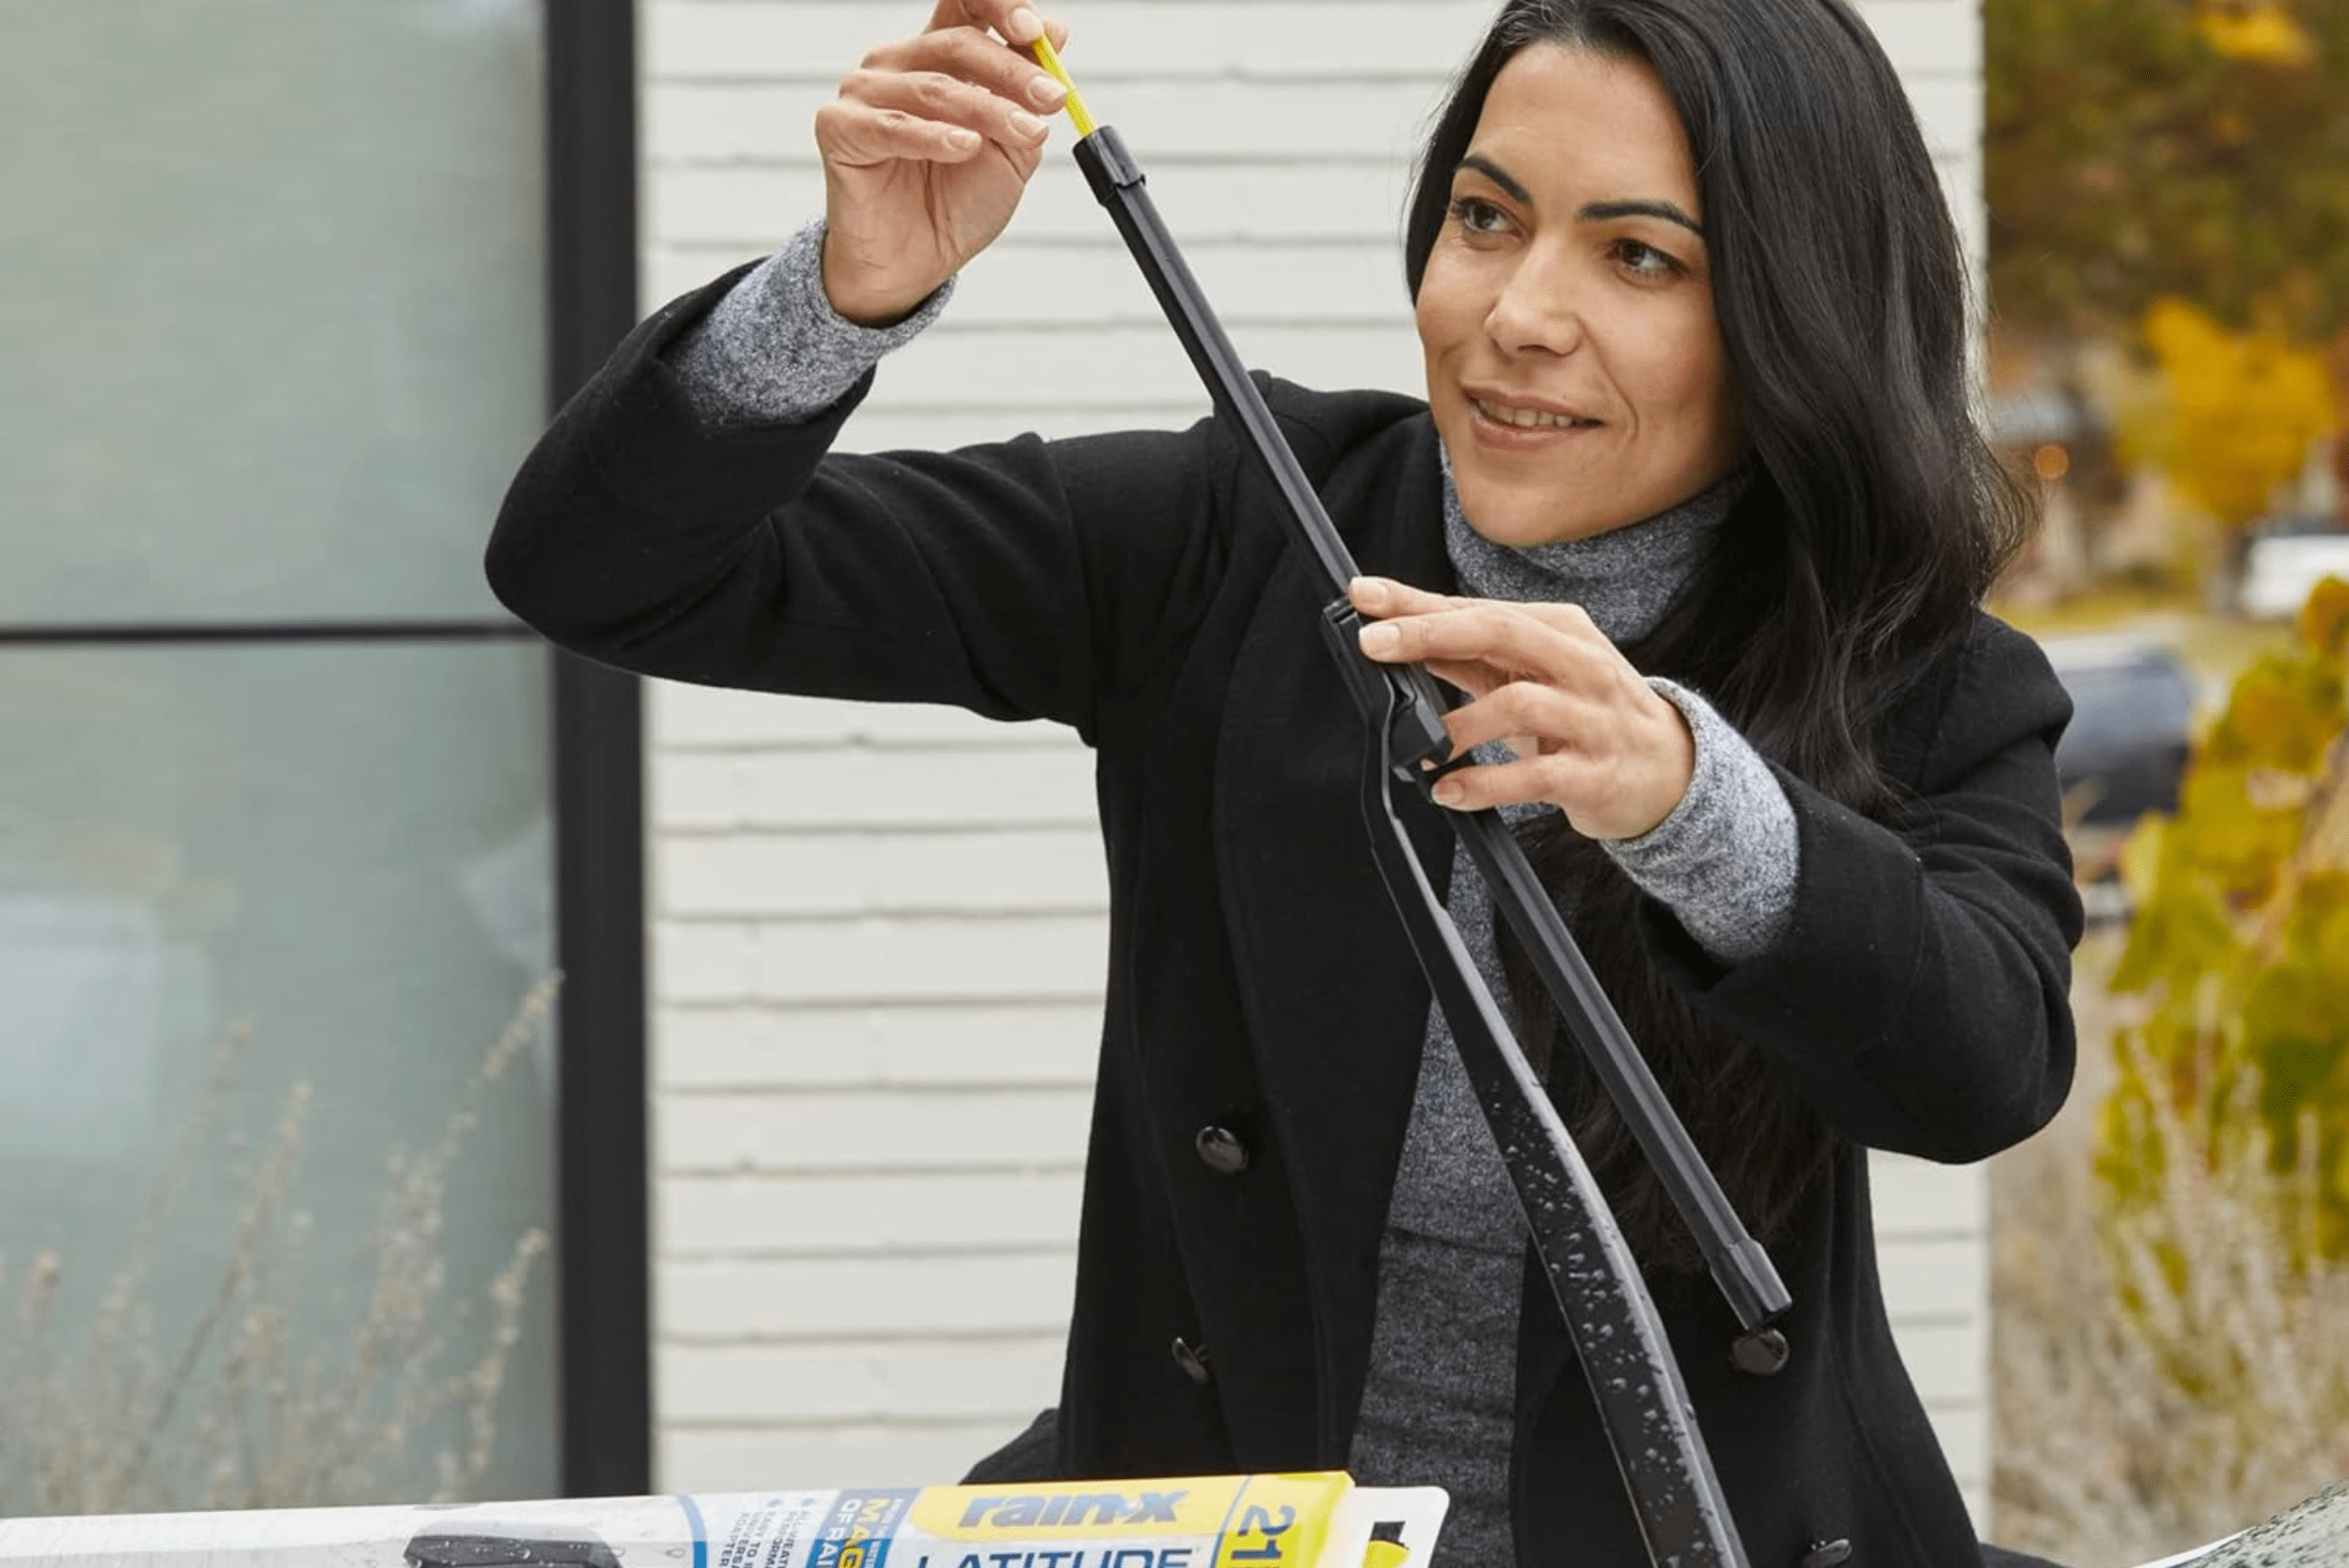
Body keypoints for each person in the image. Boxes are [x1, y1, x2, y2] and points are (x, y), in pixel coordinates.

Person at [487, 0, 2084, 1562]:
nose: (1517, 312)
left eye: (1639, 255)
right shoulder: (1238, 534)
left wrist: (1690, 803)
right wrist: (842, 294)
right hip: (1215, 1516)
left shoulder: (1923, 676)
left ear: (1795, 312)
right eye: (1484, 216)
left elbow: (1981, 1069)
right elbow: (608, 570)